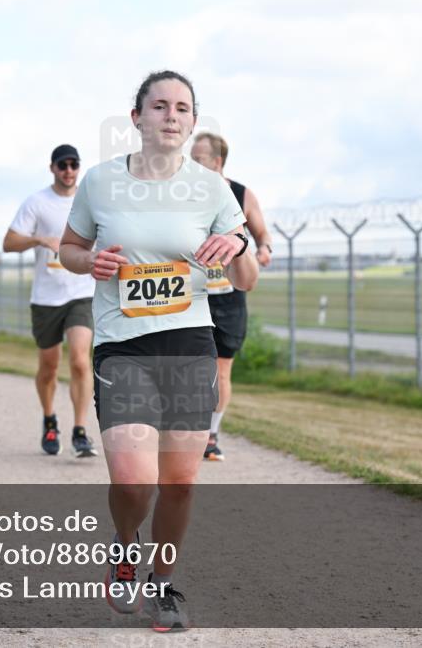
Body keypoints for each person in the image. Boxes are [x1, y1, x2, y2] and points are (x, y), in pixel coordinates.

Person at [59, 70, 258, 631]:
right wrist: (87, 261)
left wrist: (238, 243)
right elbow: (71, 248)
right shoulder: (99, 182)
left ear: (193, 121)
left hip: (190, 343)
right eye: (161, 106)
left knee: (179, 481)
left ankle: (164, 584)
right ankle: (126, 545)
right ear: (138, 118)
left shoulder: (212, 188)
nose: (172, 115)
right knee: (132, 480)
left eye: (183, 108)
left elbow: (244, 280)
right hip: (123, 344)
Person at [4, 144, 98, 457]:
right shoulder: (37, 202)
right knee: (49, 367)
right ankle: (49, 420)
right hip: (46, 297)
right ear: (53, 168)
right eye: (63, 165)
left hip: (81, 293)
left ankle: (81, 430)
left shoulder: (90, 202)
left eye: (73, 165)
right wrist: (39, 239)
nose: (68, 171)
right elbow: (9, 242)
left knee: (81, 360)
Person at [190, 132, 274, 462]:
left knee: (221, 371)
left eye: (198, 159)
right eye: (190, 158)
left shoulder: (240, 194)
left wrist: (264, 248)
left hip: (228, 297)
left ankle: (210, 434)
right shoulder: (184, 195)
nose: (191, 164)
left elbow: (261, 232)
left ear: (217, 162)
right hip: (192, 294)